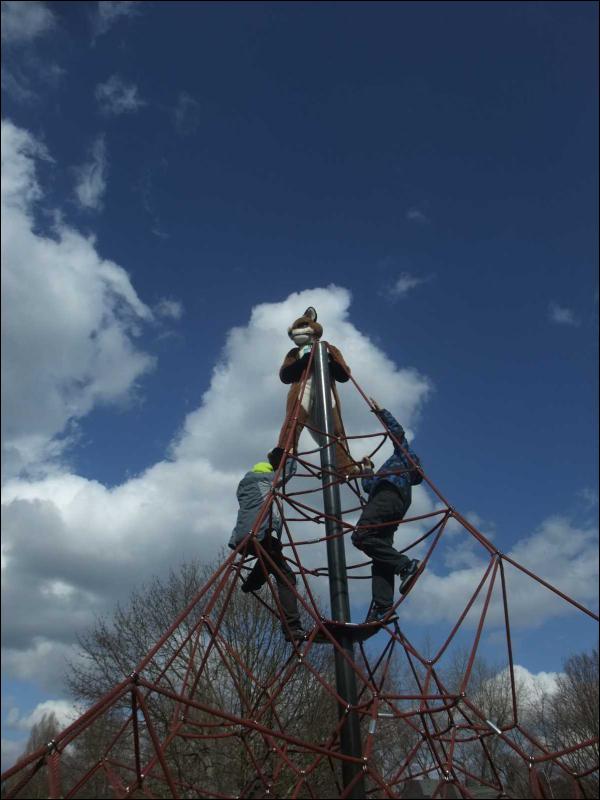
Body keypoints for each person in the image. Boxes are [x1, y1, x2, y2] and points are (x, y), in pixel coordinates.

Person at [351, 399, 423, 624]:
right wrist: (367, 469)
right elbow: (368, 487)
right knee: (380, 555)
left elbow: (397, 434)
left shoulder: (403, 459)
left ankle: (405, 565)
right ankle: (384, 607)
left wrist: (382, 412)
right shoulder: (400, 481)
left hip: (388, 498)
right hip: (394, 507)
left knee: (360, 535)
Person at [228, 447, 306, 642]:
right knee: (286, 576)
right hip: (260, 534)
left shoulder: (245, 486)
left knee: (270, 560)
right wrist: (290, 458)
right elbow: (287, 473)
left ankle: (252, 583)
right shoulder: (264, 481)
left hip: (242, 537)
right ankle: (292, 627)